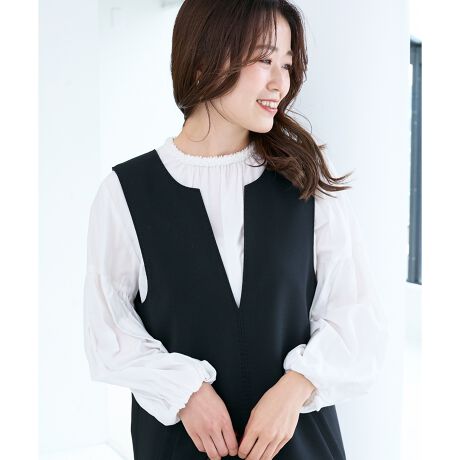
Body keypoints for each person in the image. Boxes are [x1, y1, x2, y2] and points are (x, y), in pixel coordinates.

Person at [83, 1, 389, 459]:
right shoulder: (125, 193)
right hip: (180, 447)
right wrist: (184, 391)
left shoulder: (305, 183)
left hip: (302, 445)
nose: (281, 82)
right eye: (265, 59)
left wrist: (296, 387)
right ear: (204, 58)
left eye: (287, 64)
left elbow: (357, 319)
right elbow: (107, 330)